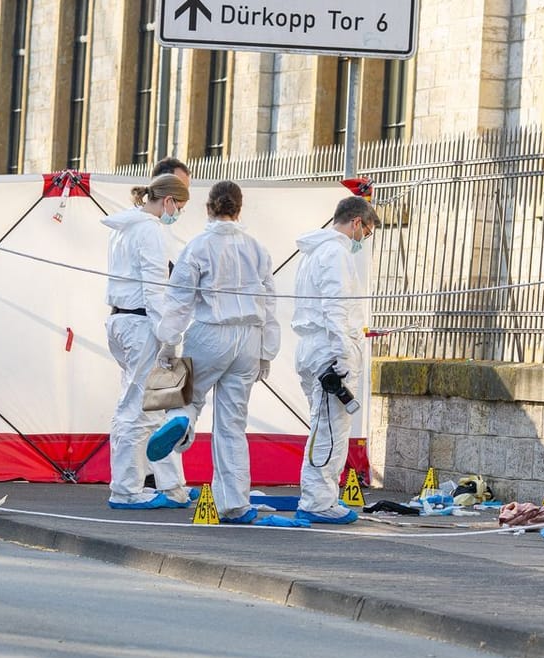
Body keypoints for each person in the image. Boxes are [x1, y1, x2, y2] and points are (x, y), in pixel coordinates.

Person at [148, 181, 280, 523]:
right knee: (233, 423)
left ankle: (180, 419)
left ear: (208, 208)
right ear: (239, 209)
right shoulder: (258, 249)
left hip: (210, 331)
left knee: (184, 396)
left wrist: (168, 342)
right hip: (249, 337)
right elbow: (270, 302)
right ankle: (235, 503)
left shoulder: (197, 247)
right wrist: (266, 352)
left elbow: (179, 302)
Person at [100, 172, 190, 509]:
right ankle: (126, 489)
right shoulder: (151, 231)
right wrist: (169, 338)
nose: (177, 213)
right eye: (179, 206)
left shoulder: (124, 229)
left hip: (120, 320)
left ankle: (160, 485)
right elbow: (155, 288)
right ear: (167, 201)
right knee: (139, 408)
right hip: (142, 324)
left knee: (136, 405)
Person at [289, 195, 378, 525]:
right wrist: (343, 353)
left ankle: (317, 496)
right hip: (329, 350)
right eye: (366, 232)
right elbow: (335, 308)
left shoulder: (313, 253)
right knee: (329, 430)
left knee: (321, 425)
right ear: (357, 222)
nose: (363, 240)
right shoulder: (336, 253)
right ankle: (318, 500)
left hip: (313, 347)